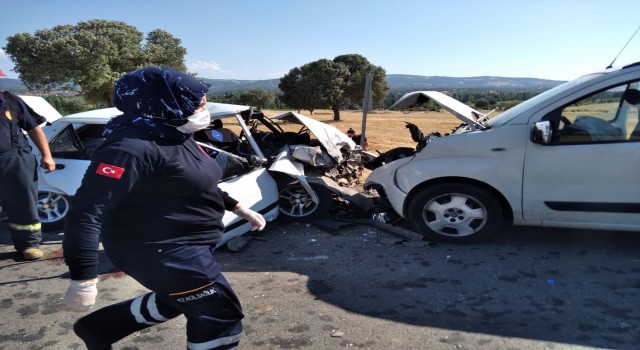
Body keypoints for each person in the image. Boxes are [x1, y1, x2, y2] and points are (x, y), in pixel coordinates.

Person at [60, 66, 266, 350]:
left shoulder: (174, 133)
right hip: (160, 250)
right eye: (198, 104)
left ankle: (99, 328)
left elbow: (194, 182)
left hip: (188, 243)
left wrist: (239, 207)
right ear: (166, 103)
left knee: (175, 299)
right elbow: (86, 214)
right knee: (219, 314)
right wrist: (83, 278)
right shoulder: (129, 148)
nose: (203, 110)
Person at [0, 91, 56, 260]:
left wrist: (47, 155)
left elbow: (33, 128)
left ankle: (29, 245)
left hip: (13, 158)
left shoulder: (9, 100)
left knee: (23, 203)